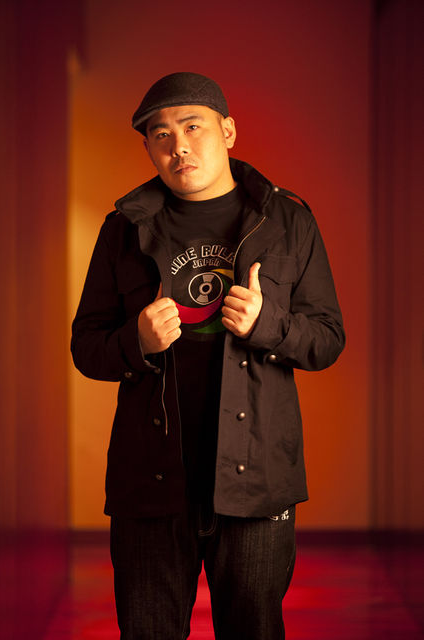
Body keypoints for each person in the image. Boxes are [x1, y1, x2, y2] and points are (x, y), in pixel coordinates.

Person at [71, 71, 345, 640]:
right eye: (161, 135)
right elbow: (86, 347)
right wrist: (136, 342)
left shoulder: (289, 221)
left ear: (228, 131)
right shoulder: (123, 229)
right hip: (150, 481)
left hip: (257, 478)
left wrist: (268, 325)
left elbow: (326, 339)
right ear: (150, 149)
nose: (179, 146)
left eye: (192, 127)